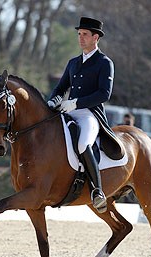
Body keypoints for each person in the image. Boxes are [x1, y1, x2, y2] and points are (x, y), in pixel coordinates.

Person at [47, 17, 115, 213]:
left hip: (89, 114)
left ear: (96, 37)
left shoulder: (104, 63)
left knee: (83, 143)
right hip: (68, 111)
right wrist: (53, 101)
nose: (81, 38)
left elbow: (104, 94)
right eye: (79, 34)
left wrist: (76, 102)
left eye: (85, 34)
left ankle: (97, 191)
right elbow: (61, 88)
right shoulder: (73, 62)